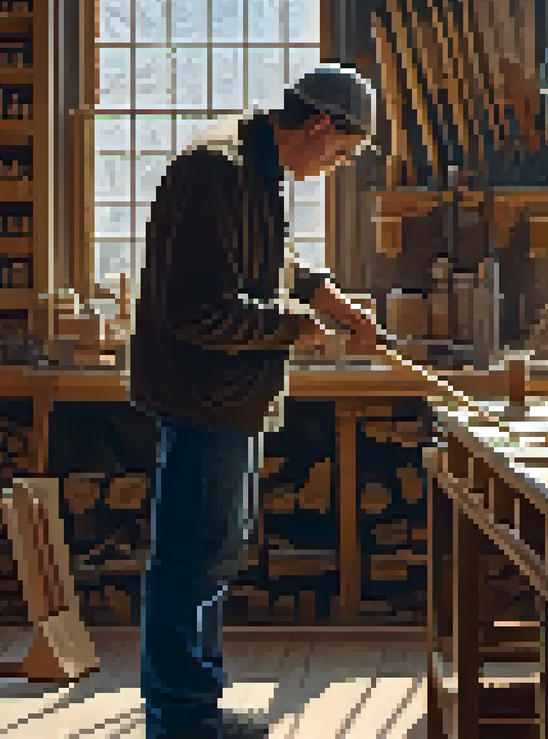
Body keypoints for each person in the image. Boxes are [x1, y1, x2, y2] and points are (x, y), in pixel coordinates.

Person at [129, 66, 382, 738]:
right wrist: (290, 326)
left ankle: (195, 707)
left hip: (233, 397)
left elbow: (276, 262)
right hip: (204, 396)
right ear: (321, 124)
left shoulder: (257, 168)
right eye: (342, 152)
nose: (337, 166)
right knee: (190, 561)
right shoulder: (218, 169)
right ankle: (183, 722)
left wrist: (332, 302)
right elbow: (195, 312)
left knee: (212, 554)